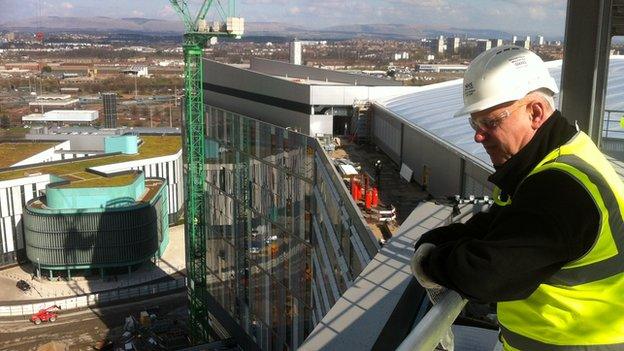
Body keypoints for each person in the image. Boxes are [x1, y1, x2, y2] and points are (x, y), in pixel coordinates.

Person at [410, 45, 624, 350]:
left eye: (491, 122)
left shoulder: (560, 189)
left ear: (535, 112)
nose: (478, 136)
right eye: (475, 123)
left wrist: (431, 264)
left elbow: (487, 274)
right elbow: (500, 225)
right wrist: (439, 238)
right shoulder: (553, 162)